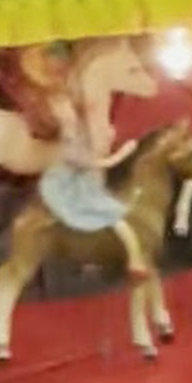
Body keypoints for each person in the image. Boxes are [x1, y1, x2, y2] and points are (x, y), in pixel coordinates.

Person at [41, 92, 148, 276]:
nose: (67, 111)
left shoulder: (78, 128)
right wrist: (120, 155)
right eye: (60, 108)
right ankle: (135, 260)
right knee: (115, 217)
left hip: (80, 179)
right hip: (71, 185)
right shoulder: (68, 136)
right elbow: (85, 161)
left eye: (67, 106)